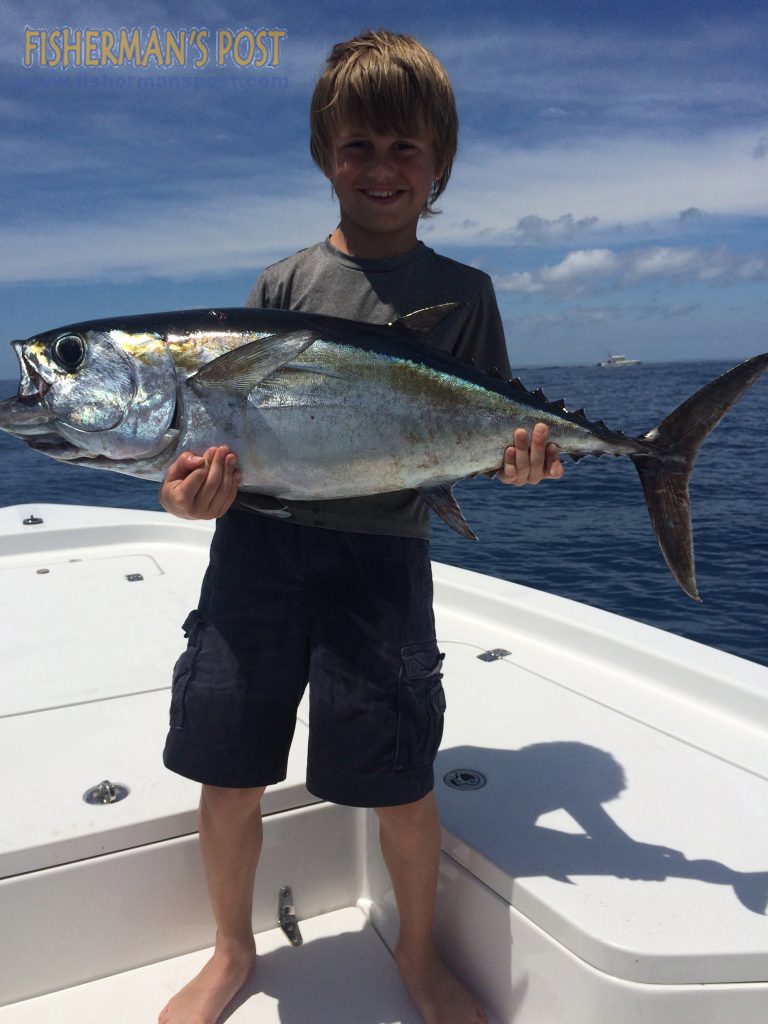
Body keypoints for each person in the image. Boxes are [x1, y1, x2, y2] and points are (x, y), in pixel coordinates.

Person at [158, 30, 563, 1024]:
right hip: (256, 550)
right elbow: (206, 448)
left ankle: (417, 957)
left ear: (438, 165)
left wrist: (522, 461)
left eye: (403, 149)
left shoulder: (465, 294)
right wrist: (186, 497)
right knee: (227, 765)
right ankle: (229, 950)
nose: (380, 169)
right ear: (324, 155)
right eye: (357, 147)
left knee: (399, 777)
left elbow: (484, 426)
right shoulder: (281, 287)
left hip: (383, 557)